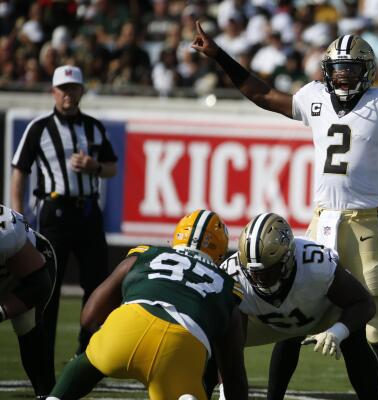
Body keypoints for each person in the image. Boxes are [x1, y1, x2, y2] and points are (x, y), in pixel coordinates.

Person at [191, 21, 378, 400]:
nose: (342, 79)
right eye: (337, 70)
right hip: (322, 220)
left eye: (350, 70)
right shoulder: (314, 98)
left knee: (377, 330)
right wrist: (219, 55)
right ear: (326, 72)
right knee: (294, 317)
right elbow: (261, 94)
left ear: (367, 70)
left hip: (365, 225)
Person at [46, 209, 248, 400]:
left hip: (130, 322)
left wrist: (105, 338)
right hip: (182, 345)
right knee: (181, 388)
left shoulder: (146, 253)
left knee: (87, 362)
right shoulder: (228, 285)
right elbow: (234, 376)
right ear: (220, 252)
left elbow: (89, 316)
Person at [210, 212, 378, 400]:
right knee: (212, 346)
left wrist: (338, 331)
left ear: (288, 259)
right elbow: (231, 351)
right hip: (265, 322)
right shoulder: (232, 276)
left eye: (269, 272)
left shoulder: (315, 264)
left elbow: (364, 303)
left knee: (354, 337)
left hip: (319, 313)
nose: (261, 281)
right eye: (254, 274)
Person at [10, 65, 118, 364]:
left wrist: (94, 167)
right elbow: (19, 170)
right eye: (63, 89)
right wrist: (18, 217)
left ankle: (87, 353)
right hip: (54, 213)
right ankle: (43, 359)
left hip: (88, 211)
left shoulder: (94, 127)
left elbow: (112, 166)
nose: (68, 94)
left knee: (98, 285)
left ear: (82, 91)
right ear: (53, 92)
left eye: (73, 88)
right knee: (49, 288)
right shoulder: (39, 128)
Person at [0, 204, 56, 398]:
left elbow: (38, 285)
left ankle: (47, 393)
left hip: (27, 273)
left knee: (26, 326)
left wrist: (2, 311)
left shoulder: (5, 233)